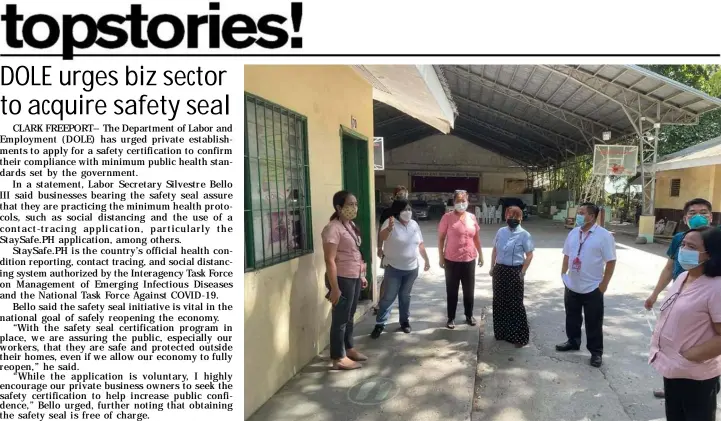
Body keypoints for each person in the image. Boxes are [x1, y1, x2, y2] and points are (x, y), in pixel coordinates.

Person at [644, 198, 715, 398]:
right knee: (673, 341)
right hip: (680, 294)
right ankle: (673, 383)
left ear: (711, 216)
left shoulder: (717, 240)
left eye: (703, 212)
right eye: (692, 213)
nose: (698, 216)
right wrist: (655, 294)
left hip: (704, 300)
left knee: (703, 345)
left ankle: (707, 386)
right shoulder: (679, 240)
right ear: (684, 218)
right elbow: (669, 268)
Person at [649, 226, 721, 421]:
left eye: (691, 246)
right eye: (683, 244)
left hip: (696, 375)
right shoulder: (683, 277)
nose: (684, 250)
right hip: (673, 369)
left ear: (710, 253)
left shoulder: (716, 287)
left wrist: (690, 356)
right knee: (675, 416)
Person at [556, 202, 617, 368]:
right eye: (578, 212)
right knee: (572, 316)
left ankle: (596, 352)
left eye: (582, 213)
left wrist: (604, 285)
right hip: (572, 284)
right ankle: (573, 341)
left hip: (593, 287)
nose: (579, 215)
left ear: (591, 216)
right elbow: (567, 255)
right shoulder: (574, 233)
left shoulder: (604, 236)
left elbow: (611, 261)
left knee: (593, 322)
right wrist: (563, 274)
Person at [322, 191, 369, 370]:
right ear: (339, 207)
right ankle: (338, 357)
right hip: (341, 278)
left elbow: (355, 252)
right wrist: (335, 288)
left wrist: (362, 275)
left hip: (354, 276)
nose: (354, 207)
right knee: (340, 318)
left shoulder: (350, 225)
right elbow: (329, 260)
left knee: (349, 316)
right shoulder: (332, 229)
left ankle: (348, 348)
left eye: (355, 203)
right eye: (350, 204)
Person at [371, 199, 431, 338]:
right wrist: (389, 229)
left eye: (409, 209)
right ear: (398, 211)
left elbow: (420, 244)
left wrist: (426, 259)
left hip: (411, 268)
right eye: (405, 209)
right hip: (393, 268)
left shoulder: (414, 224)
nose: (408, 212)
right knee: (389, 297)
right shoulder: (390, 222)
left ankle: (404, 322)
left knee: (405, 296)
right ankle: (380, 323)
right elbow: (382, 237)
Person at [438, 190, 484, 329]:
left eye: (463, 200)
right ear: (453, 202)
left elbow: (476, 237)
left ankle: (469, 315)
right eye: (458, 201)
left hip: (469, 259)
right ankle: (451, 317)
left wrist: (481, 254)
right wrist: (441, 257)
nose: (461, 203)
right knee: (452, 290)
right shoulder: (447, 217)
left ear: (468, 201)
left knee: (469, 290)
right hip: (451, 259)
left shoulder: (472, 217)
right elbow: (441, 239)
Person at [490, 206, 535, 347]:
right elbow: (495, 250)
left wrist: (522, 271)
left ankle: (519, 337)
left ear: (521, 218)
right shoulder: (501, 231)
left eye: (516, 217)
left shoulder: (524, 235)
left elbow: (529, 255)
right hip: (500, 270)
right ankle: (502, 333)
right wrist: (492, 267)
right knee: (499, 302)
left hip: (515, 271)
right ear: (505, 216)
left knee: (515, 304)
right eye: (510, 216)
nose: (512, 219)